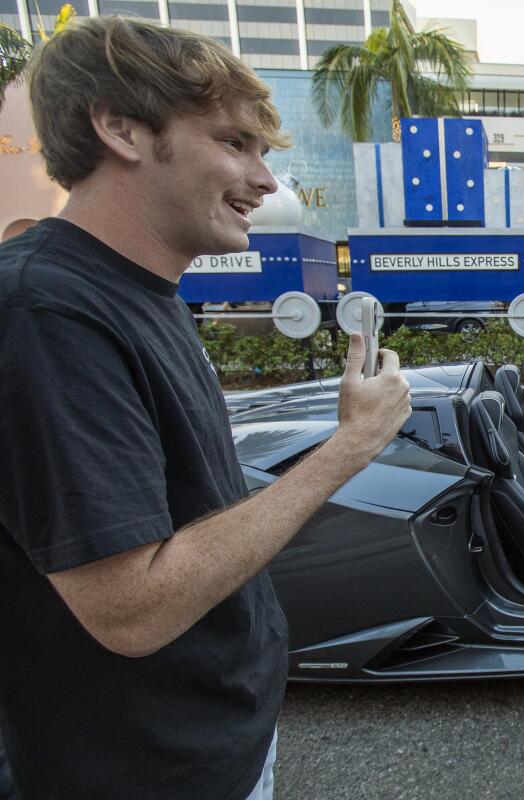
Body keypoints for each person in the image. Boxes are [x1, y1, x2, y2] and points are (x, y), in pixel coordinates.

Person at [0, 17, 411, 799]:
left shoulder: (141, 291)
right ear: (120, 128)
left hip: (213, 743)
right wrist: (349, 446)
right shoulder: (45, 311)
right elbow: (133, 611)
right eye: (235, 143)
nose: (266, 182)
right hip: (146, 771)